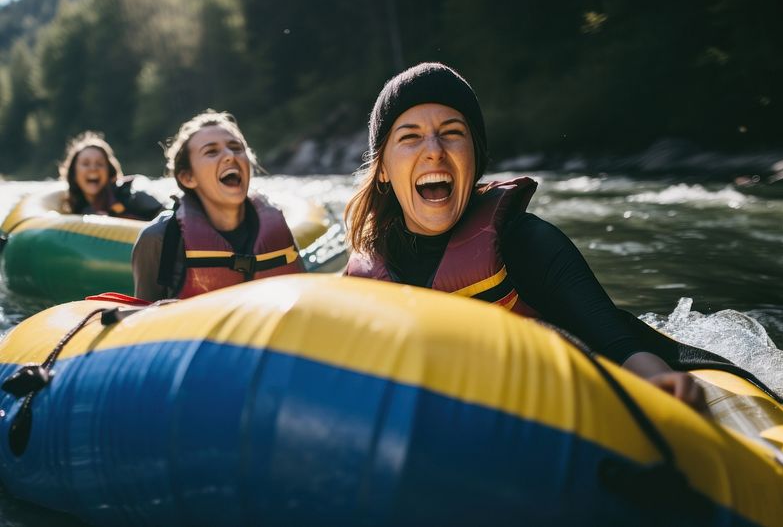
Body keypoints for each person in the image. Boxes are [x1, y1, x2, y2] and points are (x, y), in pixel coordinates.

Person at [344, 63, 705, 409]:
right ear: (383, 171)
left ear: (476, 157)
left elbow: (618, 345)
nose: (434, 151)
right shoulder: (364, 278)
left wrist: (657, 381)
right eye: (410, 137)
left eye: (453, 133)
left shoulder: (527, 244)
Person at [131, 110, 304, 301]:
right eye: (211, 151)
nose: (230, 155)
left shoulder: (276, 228)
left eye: (236, 148)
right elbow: (143, 322)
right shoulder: (158, 238)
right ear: (188, 178)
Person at [59, 131, 165, 220]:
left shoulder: (131, 195)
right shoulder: (70, 205)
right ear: (74, 173)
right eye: (86, 164)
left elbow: (165, 215)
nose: (93, 169)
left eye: (100, 164)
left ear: (109, 171)